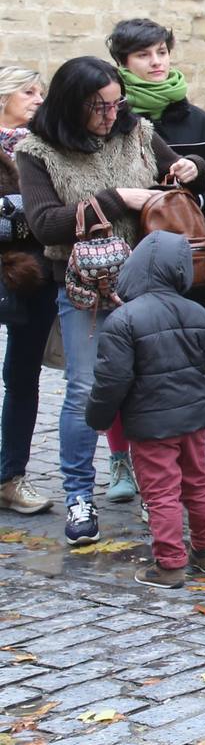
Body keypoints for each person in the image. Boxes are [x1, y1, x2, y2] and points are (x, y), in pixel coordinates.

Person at [15, 57, 205, 545]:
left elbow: (181, 180)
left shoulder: (137, 130)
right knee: (84, 388)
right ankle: (80, 494)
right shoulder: (38, 150)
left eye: (116, 102)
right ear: (69, 103)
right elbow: (45, 224)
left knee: (149, 386)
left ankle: (154, 490)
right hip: (85, 287)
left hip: (152, 283)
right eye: (98, 106)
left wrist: (192, 167)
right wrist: (118, 196)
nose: (109, 114)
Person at [83, 232, 205, 588]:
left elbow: (112, 380)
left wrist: (97, 418)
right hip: (193, 418)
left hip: (149, 425)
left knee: (161, 493)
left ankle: (170, 563)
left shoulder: (124, 320)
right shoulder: (196, 311)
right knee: (199, 482)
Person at [0, 67, 57, 516]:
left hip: (33, 275)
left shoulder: (44, 149)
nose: (38, 99)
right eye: (28, 91)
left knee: (22, 378)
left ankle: (10, 476)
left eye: (42, 92)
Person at [107, 18, 205, 187]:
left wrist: (197, 200)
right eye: (143, 55)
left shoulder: (198, 119)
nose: (156, 61)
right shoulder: (111, 118)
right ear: (122, 62)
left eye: (162, 52)